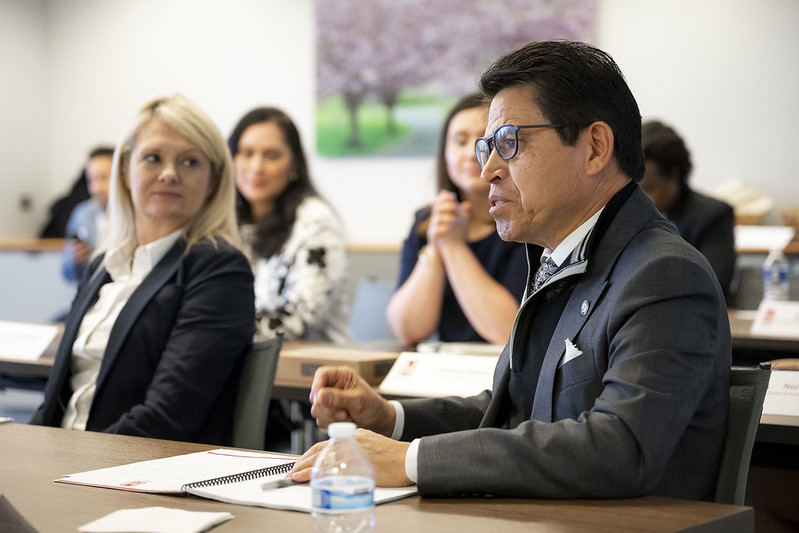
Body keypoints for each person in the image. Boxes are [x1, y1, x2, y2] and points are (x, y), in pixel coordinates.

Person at [291, 40, 731, 502]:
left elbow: (618, 449)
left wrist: (408, 460)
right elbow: (512, 412)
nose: (488, 171)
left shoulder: (664, 276)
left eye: (510, 143)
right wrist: (389, 418)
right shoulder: (560, 258)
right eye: (487, 148)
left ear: (595, 147)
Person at [31, 95, 255, 445]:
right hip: (65, 462)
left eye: (190, 162)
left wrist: (69, 463)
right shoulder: (102, 265)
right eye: (152, 158)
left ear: (212, 180)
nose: (169, 174)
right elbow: (52, 403)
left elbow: (168, 416)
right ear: (124, 171)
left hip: (129, 475)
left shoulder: (219, 269)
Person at [386, 94, 526, 345]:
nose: (472, 153)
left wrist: (453, 247)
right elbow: (408, 330)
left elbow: (507, 332)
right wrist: (437, 245)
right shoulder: (425, 224)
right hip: (445, 372)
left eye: (485, 140)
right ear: (444, 154)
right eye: (460, 141)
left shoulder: (524, 224)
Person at [228, 107, 349, 344]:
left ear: (294, 163)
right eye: (246, 153)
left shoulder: (317, 222)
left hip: (311, 370)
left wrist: (212, 324)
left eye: (271, 155)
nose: (256, 167)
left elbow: (298, 321)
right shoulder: (227, 221)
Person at [640, 120, 736, 298]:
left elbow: (714, 283)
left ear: (674, 175)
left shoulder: (712, 216)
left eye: (648, 188)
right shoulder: (627, 213)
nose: (639, 197)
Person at [61, 146, 115, 281]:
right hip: (89, 292)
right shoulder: (82, 214)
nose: (96, 188)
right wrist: (74, 260)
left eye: (103, 178)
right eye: (91, 180)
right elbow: (66, 273)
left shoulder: (138, 216)